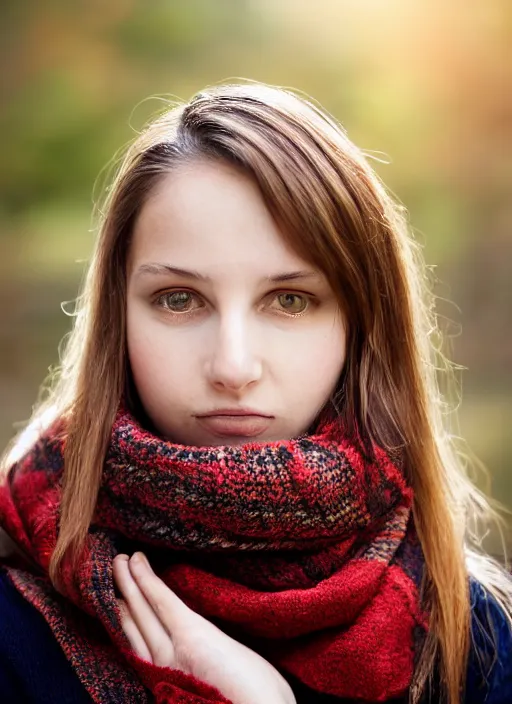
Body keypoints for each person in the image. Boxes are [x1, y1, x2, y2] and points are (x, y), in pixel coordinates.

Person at [0, 82, 510, 704]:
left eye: (289, 300)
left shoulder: (474, 638)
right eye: (179, 299)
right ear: (118, 317)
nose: (233, 367)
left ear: (362, 324)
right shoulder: (13, 621)